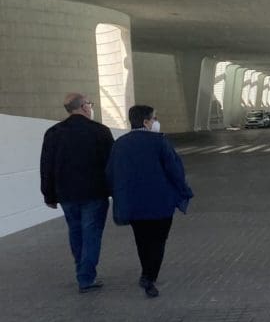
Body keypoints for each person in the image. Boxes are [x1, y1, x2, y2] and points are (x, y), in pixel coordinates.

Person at [107, 105, 194, 298]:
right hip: (160, 203)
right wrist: (184, 191)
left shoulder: (120, 144)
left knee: (142, 240)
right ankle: (149, 276)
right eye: (155, 118)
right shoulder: (160, 142)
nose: (157, 121)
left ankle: (146, 271)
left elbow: (112, 173)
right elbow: (175, 170)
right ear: (146, 122)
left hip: (134, 204)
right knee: (159, 240)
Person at [40, 93, 114, 293]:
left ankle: (82, 271)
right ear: (83, 107)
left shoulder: (53, 133)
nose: (91, 107)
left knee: (76, 232)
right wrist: (116, 190)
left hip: (66, 194)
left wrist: (48, 195)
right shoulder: (100, 131)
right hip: (95, 193)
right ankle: (86, 277)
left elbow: (46, 166)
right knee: (91, 234)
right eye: (89, 104)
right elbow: (111, 165)